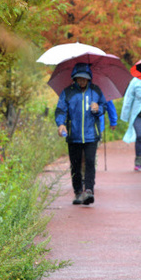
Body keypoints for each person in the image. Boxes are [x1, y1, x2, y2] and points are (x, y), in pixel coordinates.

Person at [55, 62, 109, 206]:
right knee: (76, 165)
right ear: (74, 78)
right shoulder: (68, 92)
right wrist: (61, 124)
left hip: (92, 135)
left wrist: (98, 108)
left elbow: (104, 106)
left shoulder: (96, 91)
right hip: (74, 135)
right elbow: (60, 110)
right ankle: (78, 192)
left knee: (90, 162)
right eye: (79, 78)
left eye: (84, 78)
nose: (82, 81)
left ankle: (89, 190)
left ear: (89, 78)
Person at [120, 77, 141, 171]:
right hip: (138, 114)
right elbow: (128, 98)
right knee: (139, 136)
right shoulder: (135, 82)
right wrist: (125, 115)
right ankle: (138, 160)